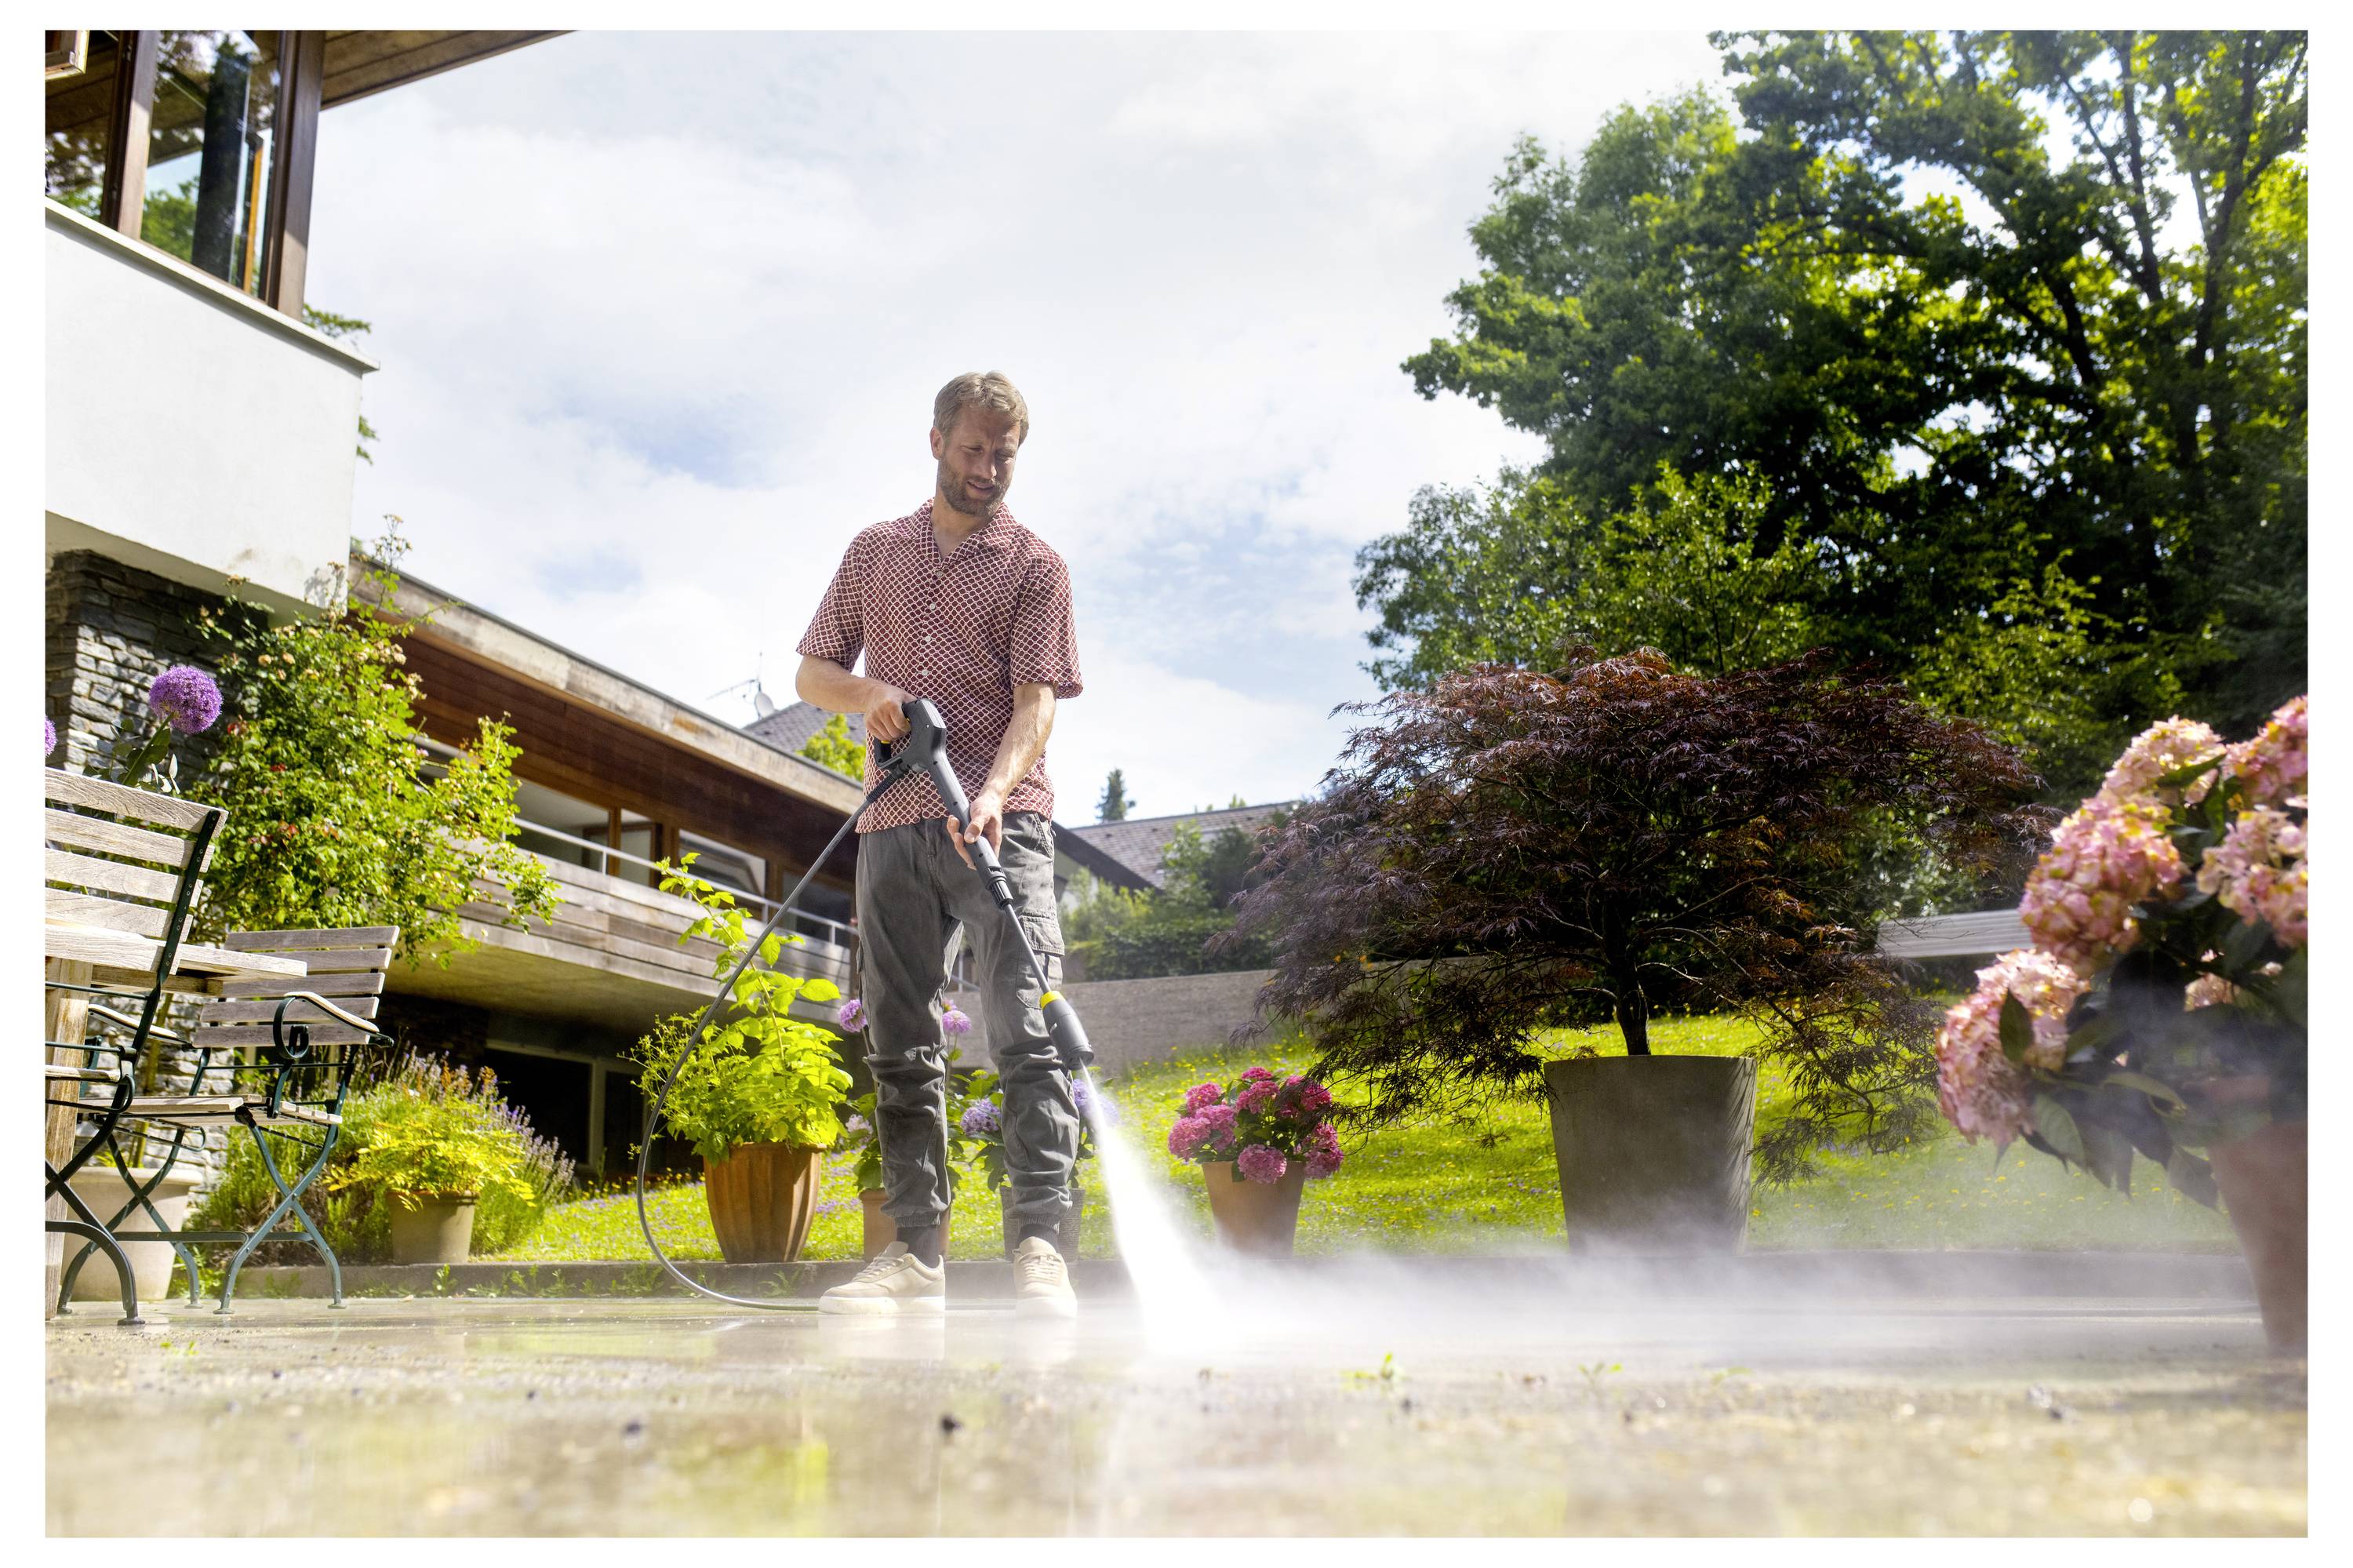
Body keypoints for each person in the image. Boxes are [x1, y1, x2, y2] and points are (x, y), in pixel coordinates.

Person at [795, 371, 1084, 1318]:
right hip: (889, 821)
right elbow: (813, 670)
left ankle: (1041, 1248)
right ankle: (914, 1258)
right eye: (974, 449)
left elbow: (1038, 701)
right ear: (935, 442)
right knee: (901, 1041)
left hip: (1003, 823)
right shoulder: (874, 551)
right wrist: (865, 695)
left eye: (1005, 453)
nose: (989, 469)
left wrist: (996, 793)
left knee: (1028, 1029)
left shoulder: (1036, 566)